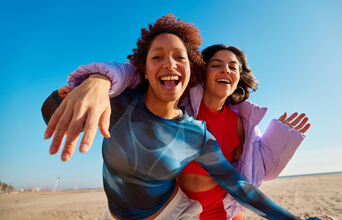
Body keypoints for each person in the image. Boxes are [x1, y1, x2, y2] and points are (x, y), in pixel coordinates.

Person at [42, 14, 323, 220]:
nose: (169, 64)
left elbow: (243, 185)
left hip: (177, 213)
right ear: (144, 69)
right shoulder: (118, 104)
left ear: (191, 70)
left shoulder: (198, 135)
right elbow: (50, 112)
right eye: (157, 57)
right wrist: (95, 80)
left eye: (180, 57)